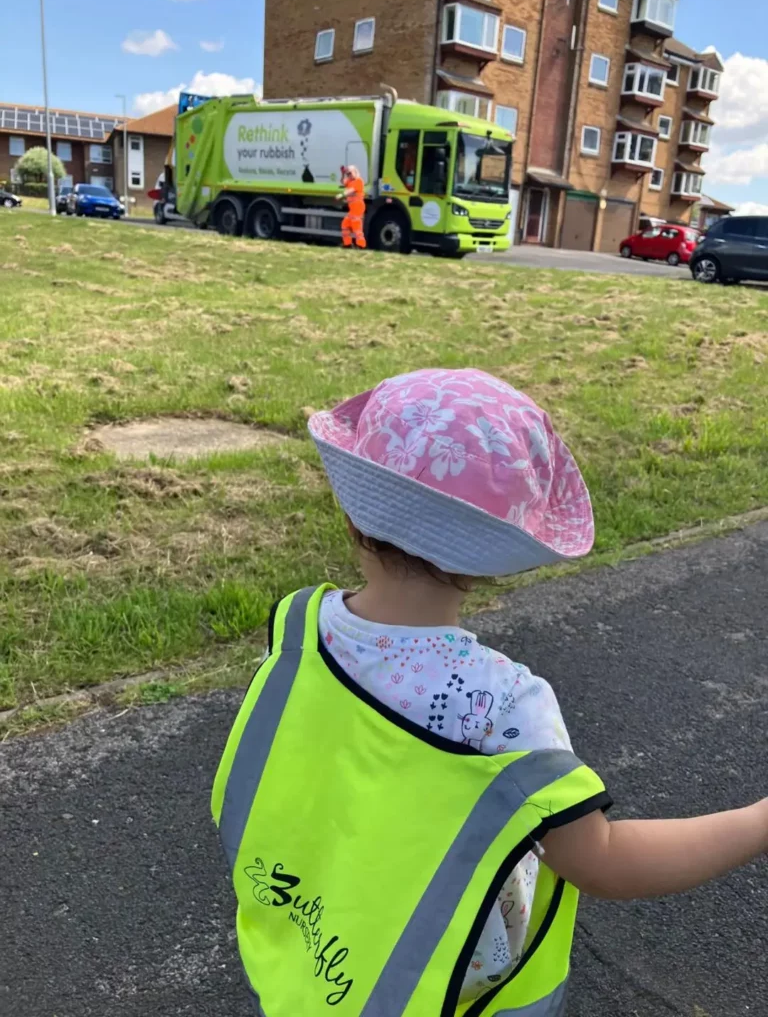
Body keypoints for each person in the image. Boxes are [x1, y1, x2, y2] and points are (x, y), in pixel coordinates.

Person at [212, 368, 768, 1016]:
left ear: (349, 512)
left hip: (307, 950)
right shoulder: (505, 706)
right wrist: (758, 823)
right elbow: (603, 861)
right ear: (492, 557)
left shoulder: (299, 623)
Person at [336, 164, 367, 249]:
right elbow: (342, 182)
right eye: (347, 174)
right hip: (353, 208)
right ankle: (347, 244)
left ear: (355, 172)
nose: (349, 175)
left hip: (358, 207)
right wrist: (342, 173)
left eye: (350, 173)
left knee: (356, 227)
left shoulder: (359, 181)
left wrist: (341, 195)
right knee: (345, 224)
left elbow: (350, 191)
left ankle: (361, 245)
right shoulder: (350, 181)